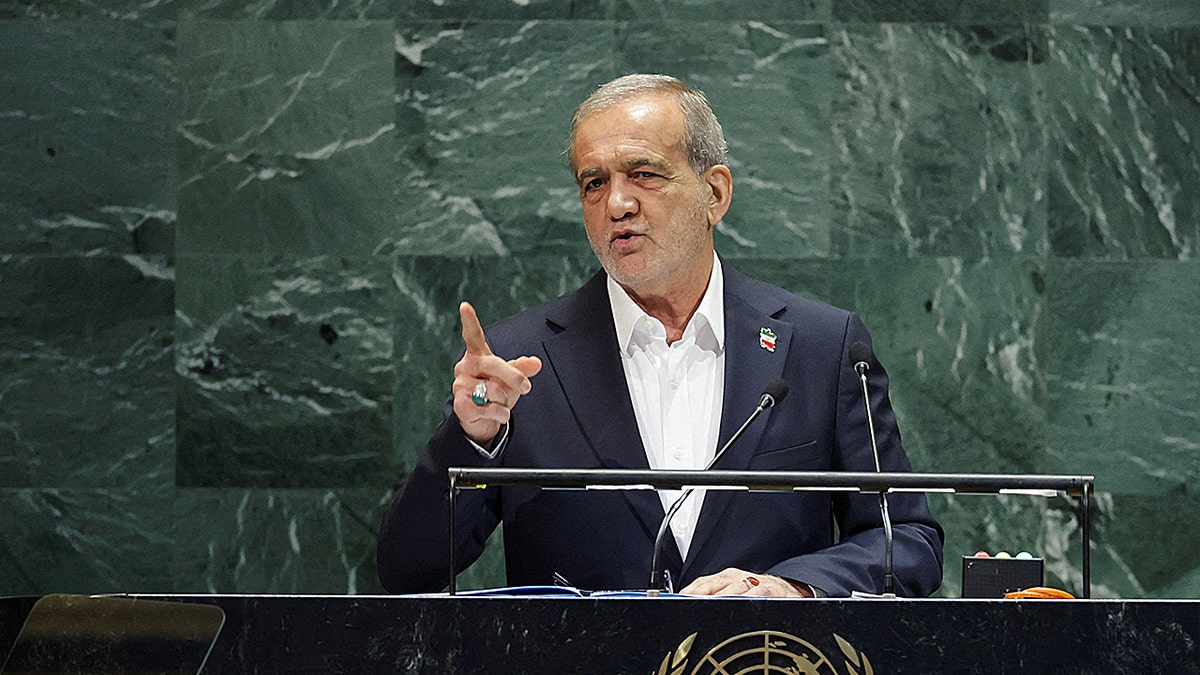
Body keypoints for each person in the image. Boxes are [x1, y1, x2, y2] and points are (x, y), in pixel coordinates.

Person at [377, 74, 943, 597]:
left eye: (644, 174)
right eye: (594, 183)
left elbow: (907, 541)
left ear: (714, 195)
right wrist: (473, 440)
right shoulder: (516, 363)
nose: (617, 204)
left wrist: (790, 589)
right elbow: (408, 570)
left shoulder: (822, 345)